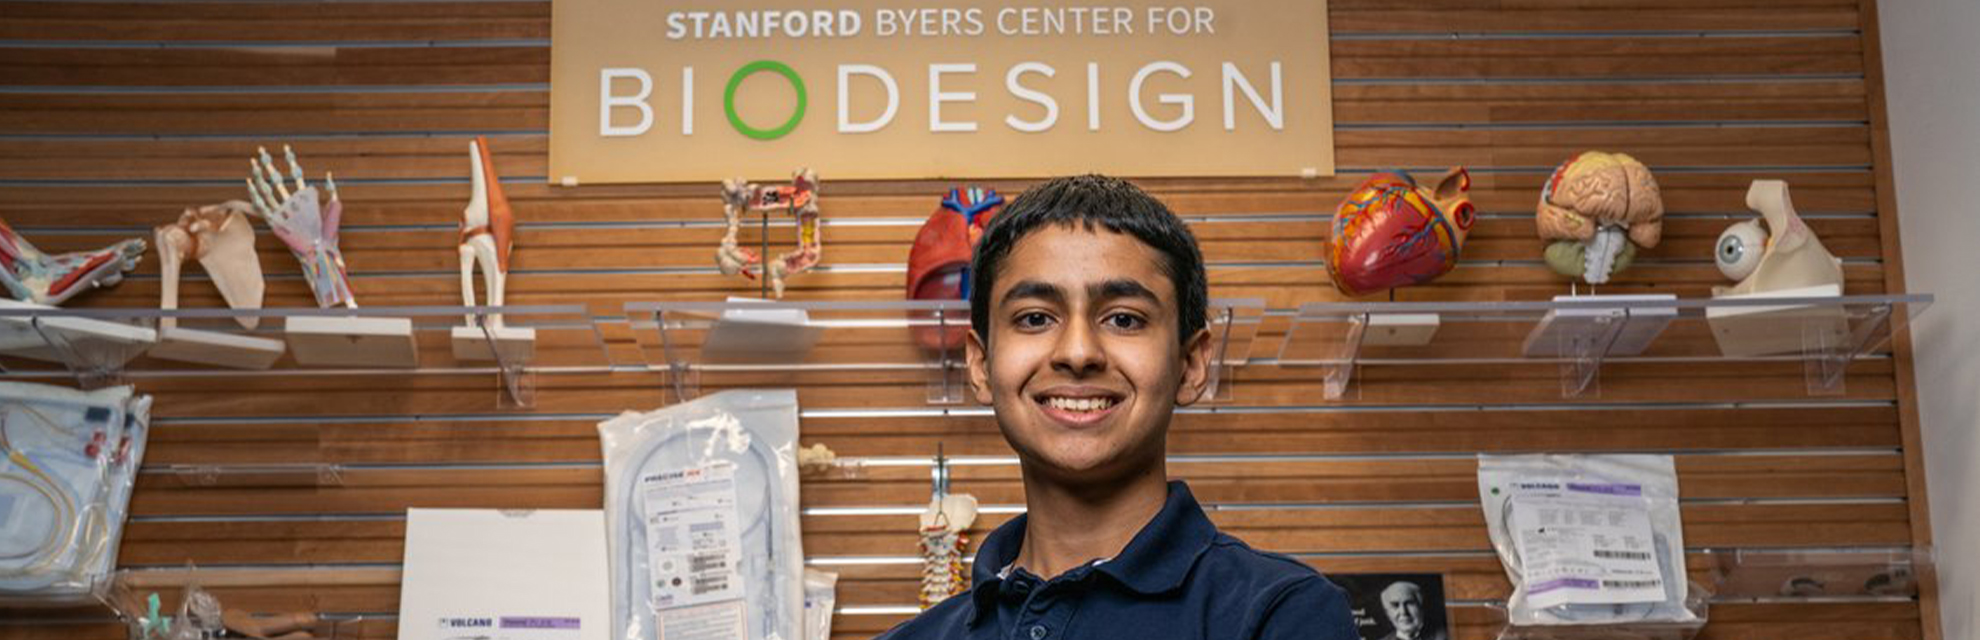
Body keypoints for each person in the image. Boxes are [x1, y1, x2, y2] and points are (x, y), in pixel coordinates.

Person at [877, 175, 1356, 639]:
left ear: (1191, 364)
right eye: (1036, 318)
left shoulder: (1282, 616)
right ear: (981, 365)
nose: (1078, 352)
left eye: (1124, 319)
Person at [1375, 581, 1447, 640]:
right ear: (1387, 613)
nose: (1403, 612)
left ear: (1421, 607)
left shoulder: (1446, 636)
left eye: (1409, 603)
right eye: (1395, 605)